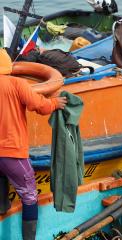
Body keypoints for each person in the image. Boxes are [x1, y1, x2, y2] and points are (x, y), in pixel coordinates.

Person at [0, 49, 67, 240]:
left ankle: (3, 209)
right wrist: (55, 103)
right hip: (12, 152)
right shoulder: (16, 83)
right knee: (29, 195)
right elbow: (38, 105)